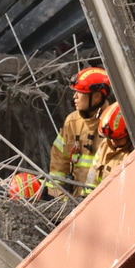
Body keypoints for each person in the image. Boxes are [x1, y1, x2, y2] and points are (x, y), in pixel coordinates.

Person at [48, 66, 111, 198]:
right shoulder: (72, 122)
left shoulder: (113, 125)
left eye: (80, 92)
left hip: (101, 201)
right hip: (72, 201)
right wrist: (57, 197)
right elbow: (59, 162)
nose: (74, 97)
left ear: (97, 97)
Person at [89, 101, 132, 190]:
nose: (112, 142)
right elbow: (92, 177)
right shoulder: (104, 145)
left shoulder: (132, 153)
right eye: (109, 138)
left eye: (117, 139)